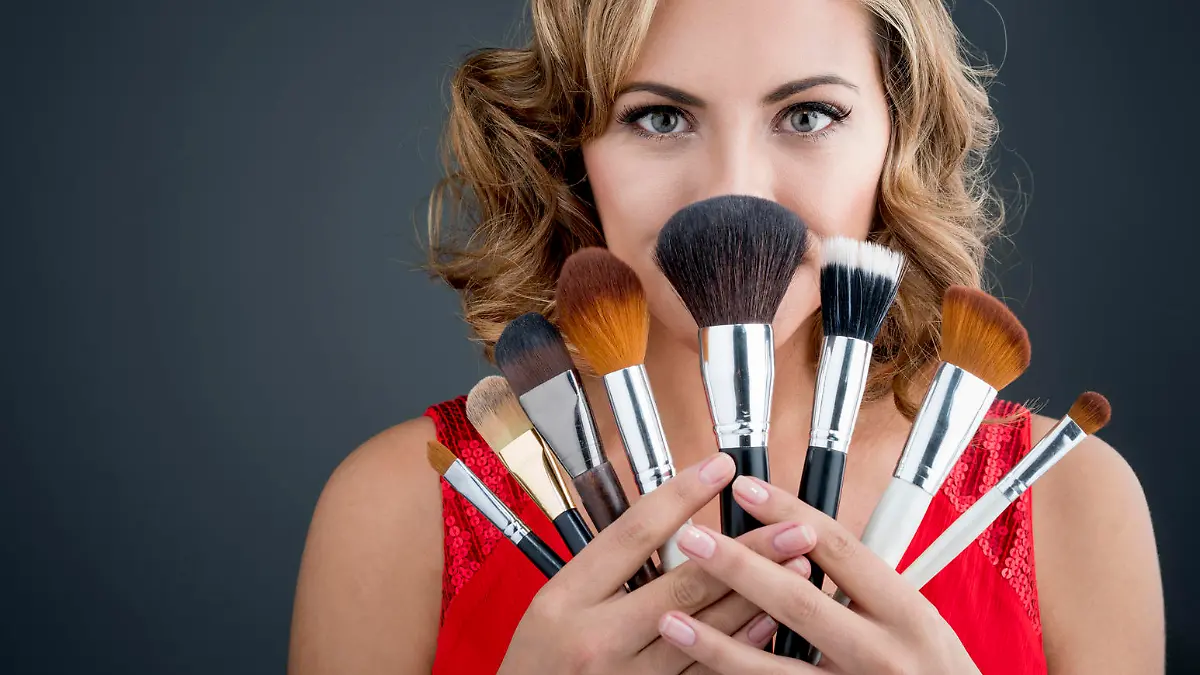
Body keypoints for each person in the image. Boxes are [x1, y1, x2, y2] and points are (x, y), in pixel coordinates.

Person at [287, 0, 1164, 672]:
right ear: (568, 152)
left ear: (901, 136)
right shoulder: (394, 510)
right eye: (660, 118)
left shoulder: (1070, 505)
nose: (734, 188)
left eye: (809, 114)